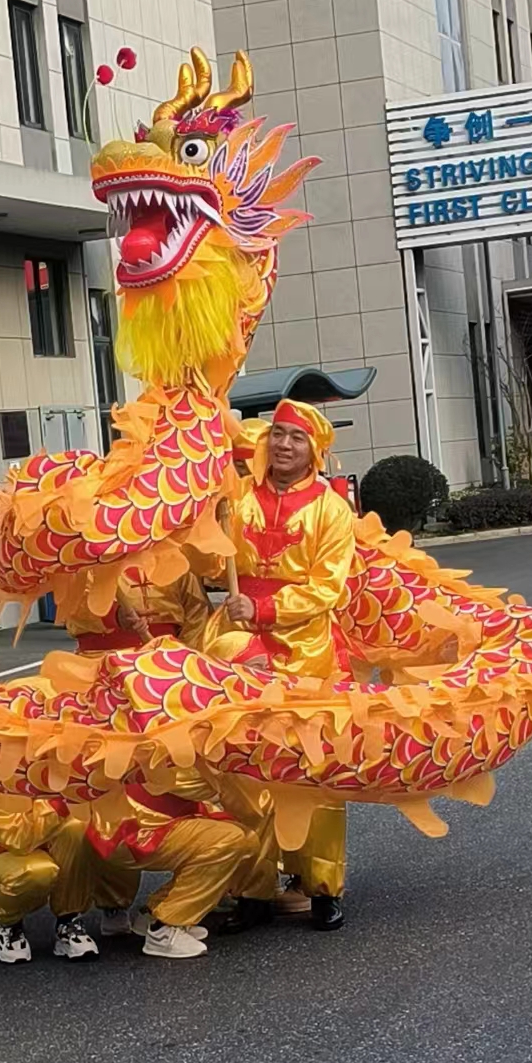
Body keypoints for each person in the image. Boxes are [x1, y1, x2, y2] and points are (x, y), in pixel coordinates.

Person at [206, 398, 356, 930]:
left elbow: (327, 587)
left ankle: (323, 887)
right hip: (244, 644)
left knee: (314, 772)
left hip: (309, 654)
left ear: (314, 449)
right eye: (278, 435)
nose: (284, 445)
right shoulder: (239, 497)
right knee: (245, 767)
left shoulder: (331, 510)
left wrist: (266, 606)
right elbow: (210, 558)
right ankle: (253, 887)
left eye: (296, 437)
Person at [48, 775, 276, 959]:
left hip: (146, 819)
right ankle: (165, 929)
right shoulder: (182, 742)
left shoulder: (176, 733)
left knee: (245, 840)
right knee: (230, 840)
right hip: (135, 827)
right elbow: (246, 802)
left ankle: (152, 915)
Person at [0, 782, 99, 963]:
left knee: (78, 826)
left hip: (35, 829)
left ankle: (69, 919)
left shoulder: (34, 755)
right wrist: (61, 800)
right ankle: (8, 924)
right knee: (37, 872)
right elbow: (18, 837)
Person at [64, 565, 210, 655]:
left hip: (168, 665)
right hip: (102, 661)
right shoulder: (86, 564)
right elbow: (74, 608)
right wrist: (114, 617)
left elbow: (198, 615)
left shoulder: (176, 561)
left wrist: (182, 656)